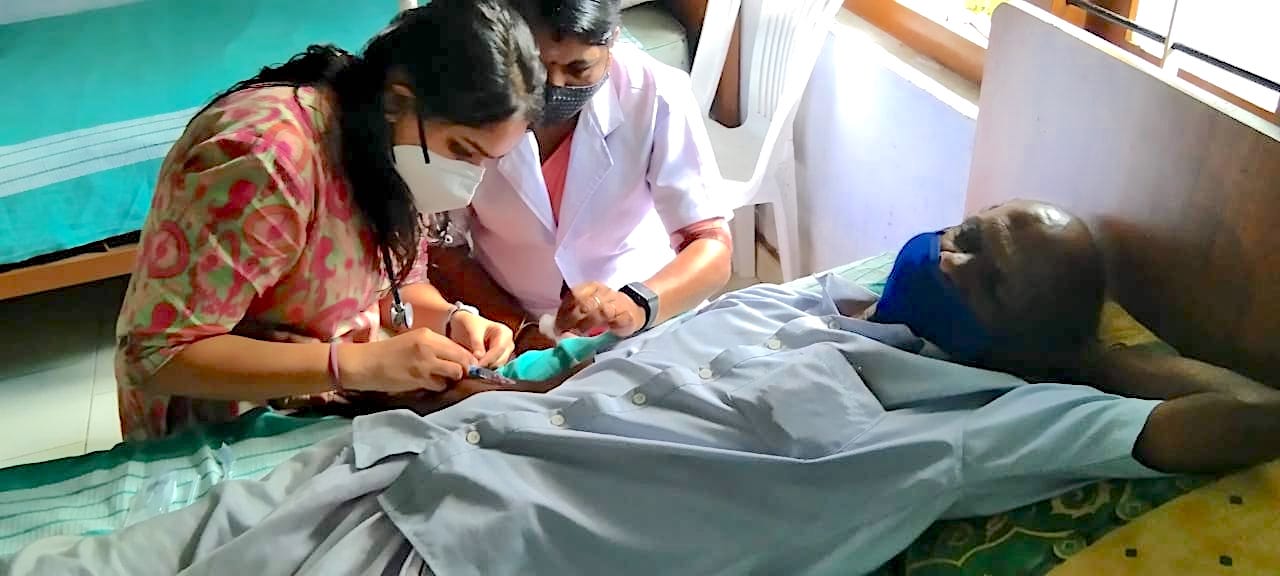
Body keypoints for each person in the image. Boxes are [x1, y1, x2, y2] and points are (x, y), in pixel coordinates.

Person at [16, 201, 1280, 574]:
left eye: (982, 274)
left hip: (488, 554)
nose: (939, 257)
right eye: (962, 228)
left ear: (1024, 343)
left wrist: (1092, 355)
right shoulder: (825, 296)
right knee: (108, 557)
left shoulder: (985, 415)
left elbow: (1237, 416)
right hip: (426, 464)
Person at [112, 0, 546, 440]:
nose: (467, 179)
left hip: (324, 397)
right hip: (221, 421)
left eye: (485, 162)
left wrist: (451, 319)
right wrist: (354, 365)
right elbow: (158, 356)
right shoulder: (266, 161)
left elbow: (393, 286)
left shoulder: (390, 150)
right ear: (399, 101)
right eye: (462, 151)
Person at [431, 0, 733, 350]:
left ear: (613, 41)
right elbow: (443, 250)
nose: (556, 85)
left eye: (579, 69)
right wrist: (519, 327)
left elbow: (709, 243)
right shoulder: (468, 106)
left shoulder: (654, 93)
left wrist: (637, 305)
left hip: (643, 307)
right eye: (538, 69)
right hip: (505, 319)